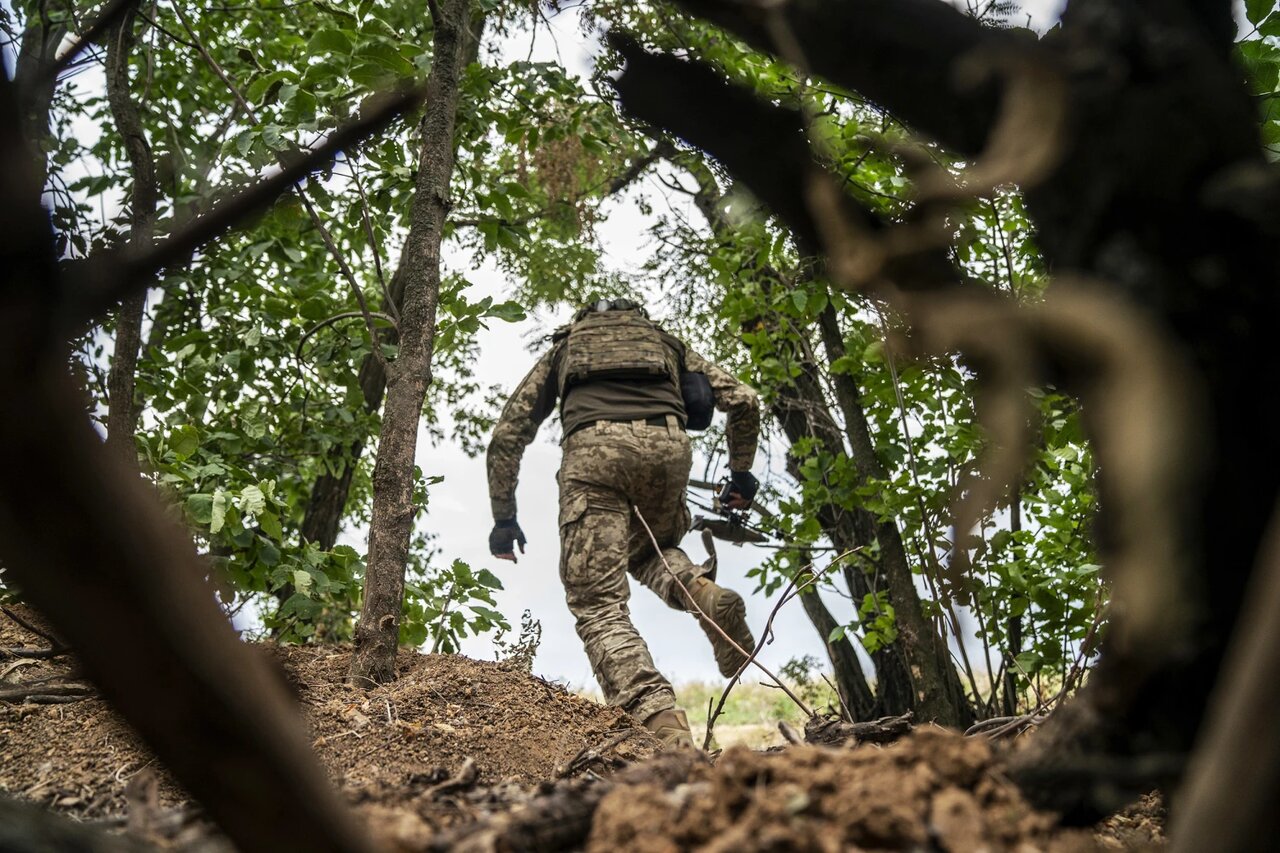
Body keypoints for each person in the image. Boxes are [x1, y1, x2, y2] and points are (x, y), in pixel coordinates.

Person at [485, 297, 762, 749]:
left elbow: (508, 434)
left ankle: (658, 722)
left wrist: (504, 517)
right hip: (669, 449)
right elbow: (744, 400)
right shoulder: (667, 344)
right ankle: (702, 592)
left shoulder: (566, 348)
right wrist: (741, 471)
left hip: (595, 456)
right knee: (652, 550)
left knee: (597, 602)